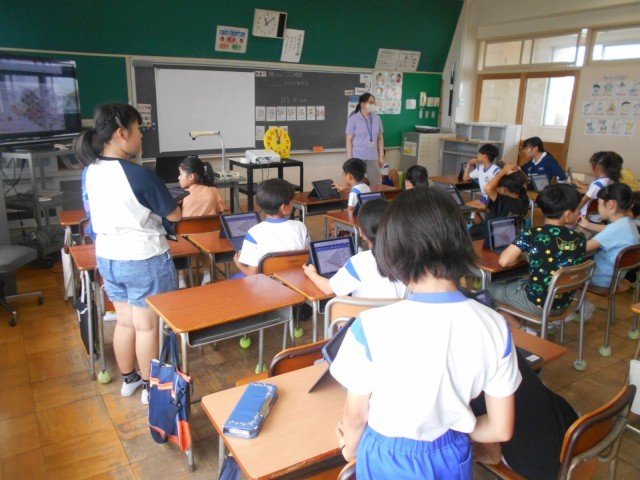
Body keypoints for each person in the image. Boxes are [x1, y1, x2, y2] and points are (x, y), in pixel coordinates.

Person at [332, 187, 521, 479]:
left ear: (392, 251)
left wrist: (349, 450)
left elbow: (355, 417)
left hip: (386, 455)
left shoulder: (369, 326)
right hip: (452, 452)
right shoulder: (495, 325)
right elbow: (500, 429)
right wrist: (458, 428)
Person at [73, 103, 181, 404]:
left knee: (124, 322)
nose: (142, 136)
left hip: (108, 257)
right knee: (147, 326)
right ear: (122, 133)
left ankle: (129, 380)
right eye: (138, 129)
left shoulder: (89, 172)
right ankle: (150, 387)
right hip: (144, 258)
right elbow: (174, 214)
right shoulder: (138, 174)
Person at [489, 184, 586, 331]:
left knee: (488, 290)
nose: (580, 213)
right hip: (563, 304)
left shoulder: (533, 234)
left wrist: (523, 256)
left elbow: (504, 261)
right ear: (567, 214)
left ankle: (523, 330)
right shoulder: (580, 238)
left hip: (538, 305)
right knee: (516, 283)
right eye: (578, 209)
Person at [472, 350, 578, 479]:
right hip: (575, 436)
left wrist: (461, 429)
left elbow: (494, 455)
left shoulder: (466, 375)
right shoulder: (500, 343)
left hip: (544, 467)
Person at [302, 199, 406, 298]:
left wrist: (311, 273)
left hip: (367, 311)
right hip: (401, 310)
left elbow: (329, 289)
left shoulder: (360, 262)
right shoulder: (407, 256)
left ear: (361, 232)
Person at [233, 178, 308, 276]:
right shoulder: (301, 227)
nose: (293, 204)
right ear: (283, 208)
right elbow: (307, 258)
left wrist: (238, 264)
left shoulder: (253, 233)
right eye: (291, 201)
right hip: (296, 280)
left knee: (235, 278)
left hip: (267, 283)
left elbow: (252, 274)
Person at [577, 183, 640, 288]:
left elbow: (582, 247)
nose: (598, 206)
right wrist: (587, 225)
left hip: (599, 279)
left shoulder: (616, 229)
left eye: (599, 203)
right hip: (614, 278)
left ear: (610, 204)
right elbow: (609, 230)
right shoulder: (628, 223)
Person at [176, 156, 225, 287]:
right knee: (204, 241)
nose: (178, 177)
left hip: (186, 239)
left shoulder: (182, 195)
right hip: (209, 238)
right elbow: (220, 212)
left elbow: (175, 216)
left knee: (176, 238)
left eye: (181, 174)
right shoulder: (213, 191)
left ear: (191, 176)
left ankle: (181, 278)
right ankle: (207, 273)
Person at [469, 164, 529, 241]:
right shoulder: (524, 198)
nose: (496, 189)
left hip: (486, 235)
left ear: (504, 190)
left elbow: (487, 188)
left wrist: (503, 171)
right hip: (505, 235)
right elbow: (525, 182)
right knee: (476, 216)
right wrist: (518, 170)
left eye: (498, 187)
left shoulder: (505, 201)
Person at [346, 93, 385, 185]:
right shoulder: (353, 119)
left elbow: (380, 138)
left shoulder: (377, 119)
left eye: (373, 102)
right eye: (370, 102)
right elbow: (349, 140)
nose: (372, 105)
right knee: (357, 183)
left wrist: (381, 156)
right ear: (362, 104)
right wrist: (350, 159)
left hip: (373, 157)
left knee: (377, 183)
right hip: (358, 156)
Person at [575, 151, 622, 217]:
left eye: (591, 166)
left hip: (585, 215)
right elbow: (590, 191)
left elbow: (584, 200)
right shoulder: (610, 181)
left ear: (597, 167)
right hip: (598, 215)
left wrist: (574, 211)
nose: (590, 169)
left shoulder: (597, 184)